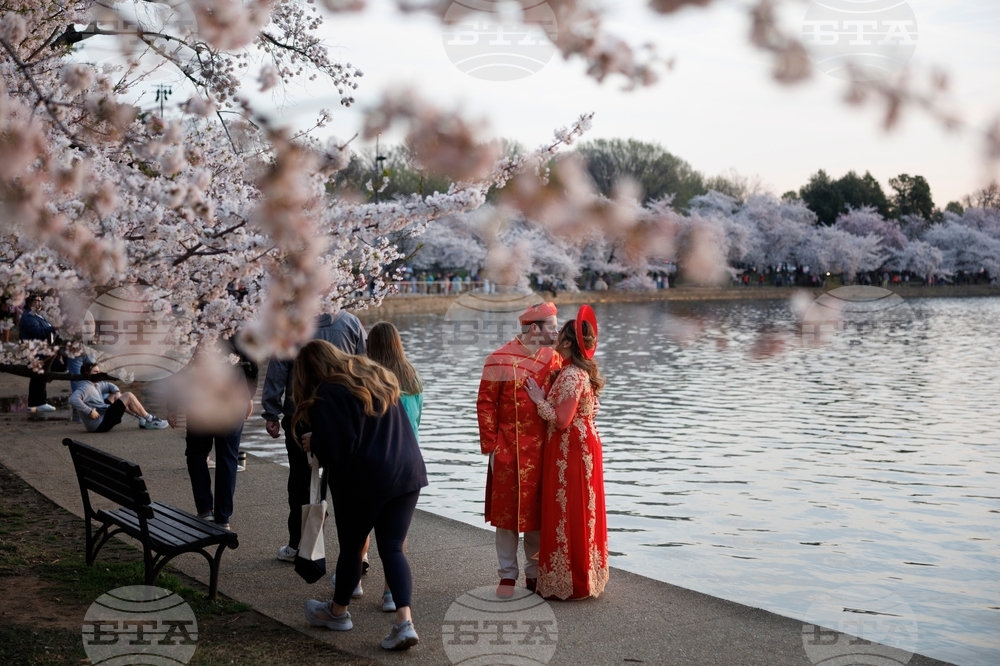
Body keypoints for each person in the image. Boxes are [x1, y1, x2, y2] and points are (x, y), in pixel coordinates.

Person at [293, 340, 427, 651]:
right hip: (408, 470)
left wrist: (316, 441)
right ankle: (403, 622)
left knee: (353, 548)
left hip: (366, 479)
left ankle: (338, 613)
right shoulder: (375, 374)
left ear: (310, 371)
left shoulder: (328, 391)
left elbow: (339, 449)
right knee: (393, 548)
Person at [261, 310, 367, 563]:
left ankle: (298, 545)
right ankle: (354, 552)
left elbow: (277, 369)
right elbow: (363, 366)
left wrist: (271, 411)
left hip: (300, 414)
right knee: (342, 482)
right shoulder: (351, 323)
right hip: (340, 417)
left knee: (300, 480)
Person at [477, 302, 563, 598]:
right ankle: (507, 574)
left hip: (543, 449)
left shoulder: (554, 359)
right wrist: (491, 446)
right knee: (506, 515)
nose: (557, 330)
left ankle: (535, 573)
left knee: (538, 514)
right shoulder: (498, 359)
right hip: (507, 450)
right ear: (535, 328)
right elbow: (485, 404)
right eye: (552, 325)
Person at [526, 306, 609, 600]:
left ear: (568, 342)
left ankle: (572, 579)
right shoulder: (571, 371)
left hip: (571, 446)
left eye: (561, 332)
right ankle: (580, 574)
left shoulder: (572, 374)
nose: (557, 333)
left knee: (570, 507)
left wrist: (538, 399)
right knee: (578, 506)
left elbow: (561, 420)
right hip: (579, 443)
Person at [360, 321, 423, 612]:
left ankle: (354, 580)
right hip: (409, 460)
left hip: (375, 459)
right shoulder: (412, 378)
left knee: (360, 525)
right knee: (397, 536)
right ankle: (389, 594)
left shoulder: (368, 378)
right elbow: (417, 420)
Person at [168, 337, 258, 530]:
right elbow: (251, 359)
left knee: (197, 453)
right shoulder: (237, 326)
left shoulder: (193, 326)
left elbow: (178, 363)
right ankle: (223, 517)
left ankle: (205, 509)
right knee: (226, 456)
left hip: (201, 395)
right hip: (231, 393)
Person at [68, 362, 168, 432]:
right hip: (99, 424)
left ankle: (140, 418)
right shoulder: (86, 387)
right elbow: (73, 399)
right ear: (87, 374)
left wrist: (116, 393)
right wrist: (89, 411)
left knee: (115, 395)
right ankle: (150, 420)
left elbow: (109, 385)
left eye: (99, 371)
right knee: (128, 395)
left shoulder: (95, 383)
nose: (99, 374)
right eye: (95, 372)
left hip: (102, 415)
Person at [19, 294, 62, 412]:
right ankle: (38, 403)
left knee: (40, 376)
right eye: (36, 301)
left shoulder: (37, 315)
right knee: (39, 376)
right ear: (29, 303)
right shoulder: (28, 316)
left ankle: (37, 402)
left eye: (40, 300)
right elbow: (37, 332)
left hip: (42, 351)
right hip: (35, 352)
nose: (39, 303)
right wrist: (54, 328)